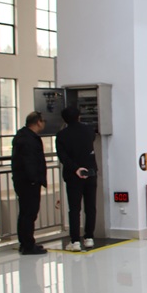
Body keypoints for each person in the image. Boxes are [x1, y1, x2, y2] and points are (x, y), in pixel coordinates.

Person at [56, 106, 98, 252]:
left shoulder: (61, 135)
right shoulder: (89, 130)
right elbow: (91, 141)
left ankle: (75, 241)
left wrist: (75, 168)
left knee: (74, 209)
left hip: (73, 175)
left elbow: (63, 157)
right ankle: (89, 237)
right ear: (79, 116)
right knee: (90, 207)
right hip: (90, 173)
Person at [11, 111, 48, 255]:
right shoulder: (29, 140)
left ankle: (25, 242)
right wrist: (34, 179)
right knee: (29, 214)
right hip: (29, 182)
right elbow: (30, 161)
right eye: (43, 121)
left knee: (25, 213)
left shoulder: (23, 136)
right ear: (38, 122)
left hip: (22, 181)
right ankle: (28, 245)